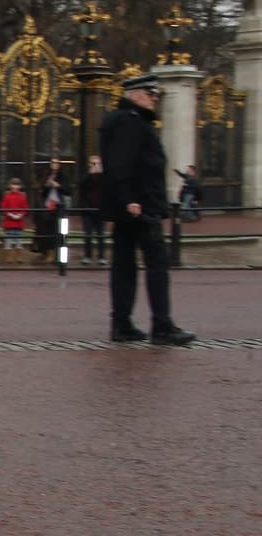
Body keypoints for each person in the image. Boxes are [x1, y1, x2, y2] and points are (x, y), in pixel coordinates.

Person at [100, 73, 195, 345]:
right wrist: (130, 199)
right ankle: (162, 325)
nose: (155, 98)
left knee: (125, 266)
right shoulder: (131, 123)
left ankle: (122, 323)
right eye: (150, 93)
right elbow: (121, 165)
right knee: (157, 264)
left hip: (130, 206)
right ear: (135, 95)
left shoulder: (126, 121)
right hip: (139, 206)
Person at [34, 157, 71, 261]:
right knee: (48, 231)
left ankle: (58, 255)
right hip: (48, 207)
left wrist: (58, 185)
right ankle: (49, 253)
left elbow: (68, 190)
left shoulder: (63, 177)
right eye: (52, 163)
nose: (54, 165)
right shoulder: (47, 176)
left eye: (56, 163)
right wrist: (46, 185)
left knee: (59, 232)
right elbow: (42, 193)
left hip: (60, 207)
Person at [77, 155, 107, 265]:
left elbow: (107, 186)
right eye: (93, 163)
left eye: (97, 163)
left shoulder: (104, 176)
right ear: (89, 164)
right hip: (88, 209)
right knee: (88, 234)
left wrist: (101, 173)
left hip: (100, 209)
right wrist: (90, 173)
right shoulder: (86, 175)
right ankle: (87, 256)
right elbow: (81, 185)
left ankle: (101, 257)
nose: (96, 166)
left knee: (101, 235)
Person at [0, 177, 29, 264]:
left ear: (20, 186)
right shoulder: (7, 196)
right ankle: (8, 258)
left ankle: (19, 257)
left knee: (18, 241)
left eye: (17, 185)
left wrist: (20, 215)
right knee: (8, 241)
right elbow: (3, 207)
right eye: (13, 184)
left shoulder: (22, 196)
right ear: (10, 185)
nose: (15, 187)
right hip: (9, 222)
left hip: (19, 222)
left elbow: (25, 208)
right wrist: (10, 214)